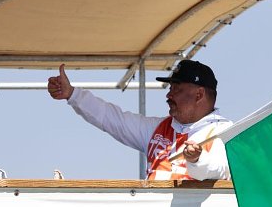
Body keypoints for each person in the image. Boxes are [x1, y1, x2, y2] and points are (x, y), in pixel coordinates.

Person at [47, 59, 231, 180]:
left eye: (176, 88)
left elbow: (223, 169)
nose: (168, 95)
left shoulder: (223, 131)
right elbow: (111, 118)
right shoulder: (158, 127)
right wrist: (72, 94)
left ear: (199, 94)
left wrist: (197, 159)